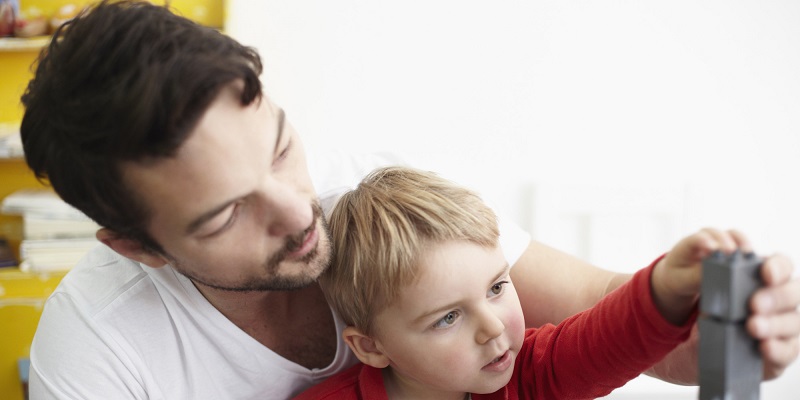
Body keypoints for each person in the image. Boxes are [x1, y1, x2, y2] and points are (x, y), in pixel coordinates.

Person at [18, 1, 799, 399]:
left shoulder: (375, 203)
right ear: (137, 245)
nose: (299, 212)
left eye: (283, 148)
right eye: (225, 215)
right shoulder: (97, 353)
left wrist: (717, 324)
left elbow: (602, 320)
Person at [294, 166, 748, 399]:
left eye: (496, 287)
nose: (493, 327)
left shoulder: (530, 374)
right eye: (448, 317)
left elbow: (606, 338)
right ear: (372, 346)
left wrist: (666, 288)